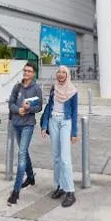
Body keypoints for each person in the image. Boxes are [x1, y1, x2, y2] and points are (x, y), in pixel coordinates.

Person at [40, 66, 79, 207]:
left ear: (67, 75)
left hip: (65, 122)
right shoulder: (53, 88)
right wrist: (44, 125)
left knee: (65, 158)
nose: (61, 74)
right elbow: (48, 107)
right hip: (53, 122)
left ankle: (70, 191)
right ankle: (59, 186)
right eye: (59, 72)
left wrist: (74, 132)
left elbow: (75, 112)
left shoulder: (73, 91)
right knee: (56, 157)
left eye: (64, 72)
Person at [7, 62, 43, 205]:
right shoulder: (17, 87)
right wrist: (18, 110)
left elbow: (39, 106)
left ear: (33, 73)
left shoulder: (36, 88)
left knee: (21, 153)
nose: (26, 73)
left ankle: (15, 191)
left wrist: (28, 109)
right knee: (24, 152)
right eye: (25, 71)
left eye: (29, 71)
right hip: (16, 124)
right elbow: (10, 103)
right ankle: (30, 177)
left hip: (28, 125)